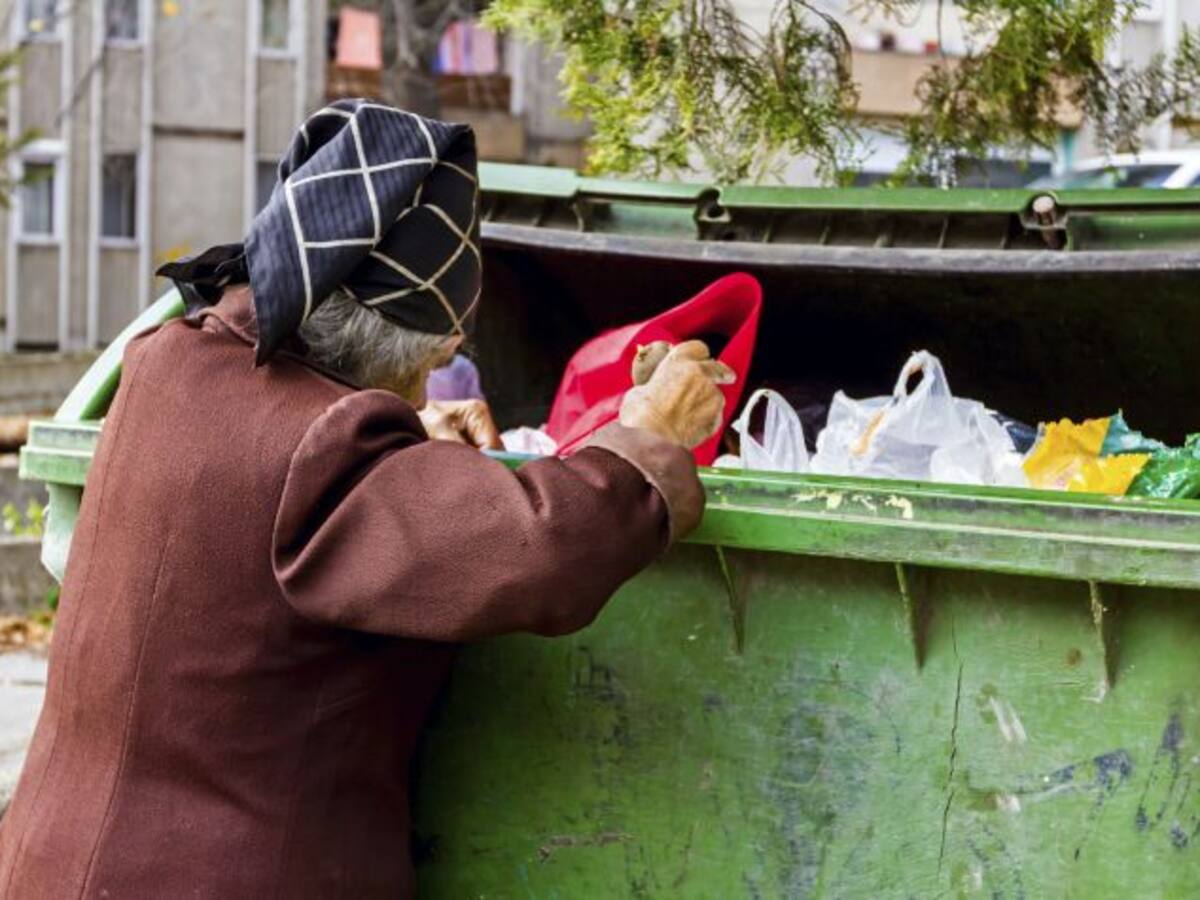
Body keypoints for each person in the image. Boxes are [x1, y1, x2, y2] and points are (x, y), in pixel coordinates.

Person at [0, 100, 732, 898]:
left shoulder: (162, 363)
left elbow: (260, 468)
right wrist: (650, 432)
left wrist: (407, 433)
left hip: (51, 862)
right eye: (433, 360)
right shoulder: (329, 457)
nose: (427, 383)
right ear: (398, 348)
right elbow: (544, 550)